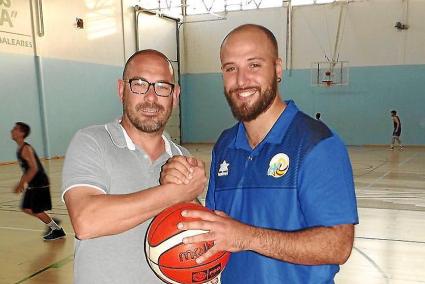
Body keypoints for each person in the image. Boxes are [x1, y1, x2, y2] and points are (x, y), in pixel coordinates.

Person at [161, 24, 358, 283]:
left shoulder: (316, 144)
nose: (241, 80)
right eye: (230, 68)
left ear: (277, 69)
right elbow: (219, 229)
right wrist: (179, 192)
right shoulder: (225, 145)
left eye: (254, 65)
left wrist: (246, 237)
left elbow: (337, 245)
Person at [62, 49, 206, 283]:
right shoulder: (92, 141)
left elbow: (192, 234)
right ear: (121, 90)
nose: (150, 97)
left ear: (175, 95)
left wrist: (193, 201)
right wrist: (173, 193)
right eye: (139, 84)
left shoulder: (181, 156)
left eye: (162, 87)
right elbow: (86, 221)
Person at [11, 122, 66, 241]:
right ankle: (51, 222)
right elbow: (26, 169)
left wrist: (21, 184)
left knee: (36, 210)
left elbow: (34, 168)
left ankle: (56, 230)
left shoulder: (26, 148)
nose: (12, 131)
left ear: (21, 133)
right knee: (26, 208)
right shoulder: (20, 148)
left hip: (40, 183)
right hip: (33, 184)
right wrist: (22, 182)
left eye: (15, 129)